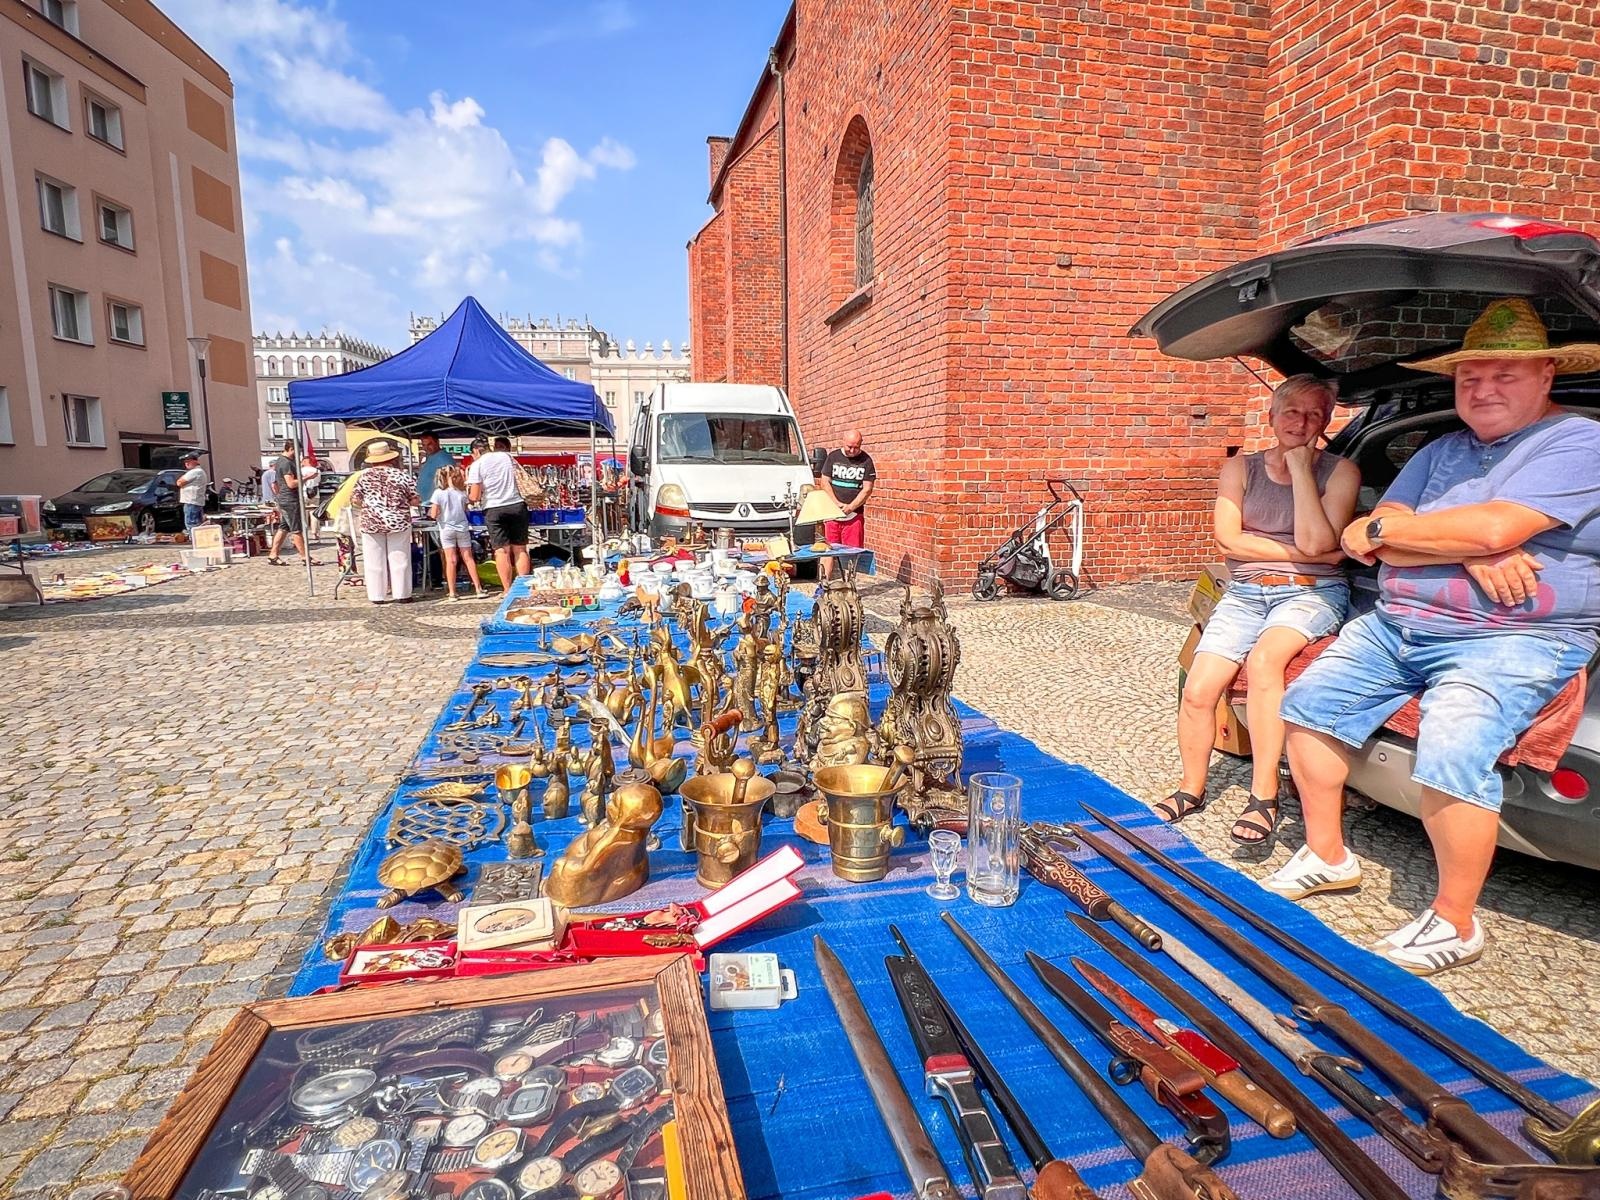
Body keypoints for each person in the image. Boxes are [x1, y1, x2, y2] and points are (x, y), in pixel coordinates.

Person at [1267, 298, 1600, 974]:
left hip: (1512, 635)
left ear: (1546, 375)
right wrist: (1467, 551)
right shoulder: (1441, 448)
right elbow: (1365, 537)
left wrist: (1456, 539)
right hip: (1398, 623)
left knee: (1453, 737)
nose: (1482, 390)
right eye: (1469, 377)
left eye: (1504, 376)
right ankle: (1327, 855)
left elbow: (1489, 529)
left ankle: (1454, 922)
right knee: (1306, 702)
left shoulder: (1579, 443)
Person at [1162, 376, 1359, 846]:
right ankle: (1191, 788)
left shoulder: (1340, 471)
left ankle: (1264, 796)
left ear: (1327, 420)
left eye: (1314, 414)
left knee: (1265, 661)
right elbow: (1229, 540)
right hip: (1247, 593)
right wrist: (1315, 552)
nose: (1302, 422)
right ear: (1272, 418)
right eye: (1291, 412)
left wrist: (1302, 472)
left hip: (1311, 592)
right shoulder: (1241, 469)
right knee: (1199, 687)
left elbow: (1316, 541)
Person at [350, 438, 421, 604]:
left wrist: (371, 506)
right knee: (400, 558)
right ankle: (402, 594)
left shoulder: (363, 477)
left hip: (371, 521)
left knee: (374, 559)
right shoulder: (402, 476)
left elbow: (355, 499)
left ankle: (377, 596)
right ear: (391, 458)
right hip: (398, 521)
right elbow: (415, 500)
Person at [468, 435, 531, 586]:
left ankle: (507, 589)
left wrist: (469, 496)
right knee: (520, 548)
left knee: (501, 551)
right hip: (516, 504)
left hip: (493, 508)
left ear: (476, 451)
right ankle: (523, 587)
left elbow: (475, 496)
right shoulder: (506, 457)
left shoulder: (477, 465)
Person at [818, 429, 876, 577]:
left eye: (856, 447)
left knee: (852, 552)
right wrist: (835, 503)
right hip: (832, 512)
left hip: (854, 515)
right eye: (849, 446)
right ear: (843, 442)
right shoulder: (833, 457)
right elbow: (824, 482)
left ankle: (850, 584)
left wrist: (850, 507)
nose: (852, 450)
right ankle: (824, 582)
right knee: (828, 550)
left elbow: (867, 489)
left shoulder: (866, 461)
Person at [430, 464, 486, 601]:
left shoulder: (438, 493)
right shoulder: (461, 494)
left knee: (451, 560)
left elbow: (433, 513)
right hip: (462, 528)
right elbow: (466, 510)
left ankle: (452, 592)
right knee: (468, 558)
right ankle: (478, 588)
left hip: (446, 529)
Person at [266, 440, 313, 566]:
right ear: (291, 448)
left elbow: (275, 483)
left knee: (284, 527)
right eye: (298, 451)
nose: (299, 454)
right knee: (296, 529)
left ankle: (273, 555)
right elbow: (291, 483)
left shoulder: (280, 461)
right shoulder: (286, 463)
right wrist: (307, 478)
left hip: (284, 498)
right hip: (289, 499)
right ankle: (305, 557)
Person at [176, 450, 210, 537]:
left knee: (191, 524)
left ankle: (195, 542)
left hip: (191, 502)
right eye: (185, 462)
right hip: (195, 502)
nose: (186, 463)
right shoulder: (198, 471)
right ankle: (199, 541)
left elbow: (179, 482)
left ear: (195, 461)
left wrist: (181, 479)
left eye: (188, 461)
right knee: (197, 525)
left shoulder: (195, 472)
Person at [415, 434, 455, 503]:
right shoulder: (430, 457)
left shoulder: (444, 459)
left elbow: (447, 485)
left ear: (437, 442)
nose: (426, 448)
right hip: (424, 503)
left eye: (429, 444)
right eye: (424, 445)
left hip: (434, 505)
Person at [299, 454, 323, 542]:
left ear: (305, 462)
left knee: (303, 515)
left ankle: (304, 534)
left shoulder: (301, 471)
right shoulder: (317, 471)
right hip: (315, 493)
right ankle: (314, 533)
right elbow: (319, 481)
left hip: (304, 493)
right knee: (314, 514)